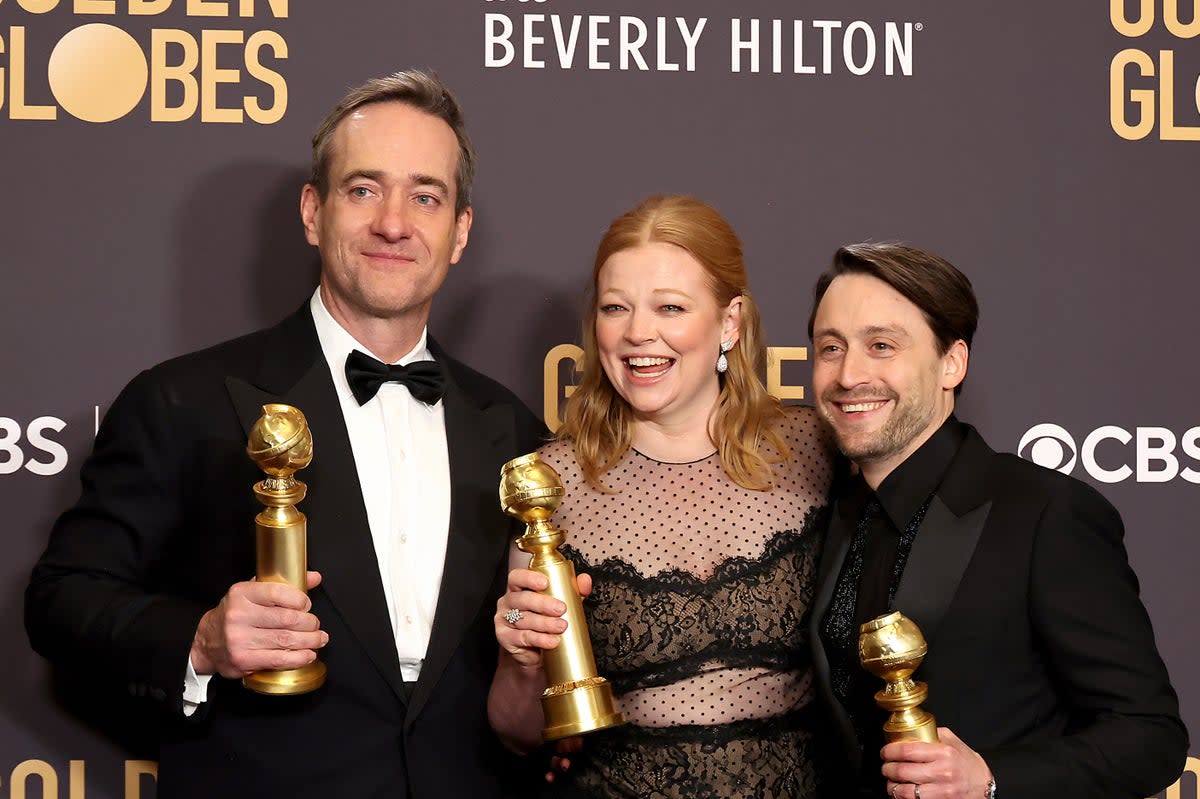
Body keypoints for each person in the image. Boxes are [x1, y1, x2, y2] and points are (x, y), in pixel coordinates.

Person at [25, 70, 543, 799]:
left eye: (425, 196)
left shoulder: (514, 431)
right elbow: (61, 597)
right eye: (364, 189)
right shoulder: (183, 399)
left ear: (458, 232)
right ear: (312, 211)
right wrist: (202, 638)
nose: (394, 222)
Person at [806, 242, 1188, 799]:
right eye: (829, 348)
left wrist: (990, 777)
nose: (848, 374)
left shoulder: (1046, 513)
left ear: (951, 362)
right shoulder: (831, 511)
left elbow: (1151, 737)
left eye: (882, 345)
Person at [489, 195, 836, 798]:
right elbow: (518, 734)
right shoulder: (552, 484)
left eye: (670, 307)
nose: (637, 333)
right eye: (615, 308)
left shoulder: (814, 450)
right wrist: (519, 659)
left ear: (730, 322)